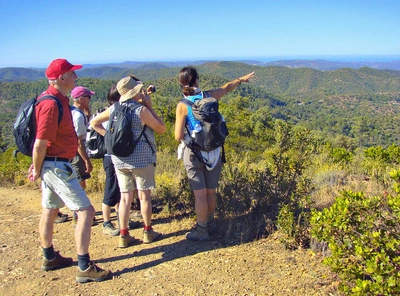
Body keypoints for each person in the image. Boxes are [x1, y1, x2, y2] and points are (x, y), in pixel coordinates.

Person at [28, 58, 111, 283]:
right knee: (86, 212)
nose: (76, 77)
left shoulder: (59, 100)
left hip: (53, 164)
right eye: (72, 73)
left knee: (51, 209)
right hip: (57, 166)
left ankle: (50, 257)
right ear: (62, 77)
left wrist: (40, 166)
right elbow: (39, 142)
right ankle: (84, 266)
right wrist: (37, 169)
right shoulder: (51, 104)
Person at [174, 66, 255, 241]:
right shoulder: (209, 96)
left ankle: (202, 231)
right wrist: (240, 80)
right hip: (214, 151)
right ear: (196, 80)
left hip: (194, 153)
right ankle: (211, 224)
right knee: (211, 192)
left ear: (182, 83)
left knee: (200, 195)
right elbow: (226, 87)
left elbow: (177, 136)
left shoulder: (182, 105)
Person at [91, 76, 166, 248]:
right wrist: (150, 106)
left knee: (125, 198)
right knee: (144, 196)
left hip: (119, 159)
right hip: (141, 159)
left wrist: (109, 137)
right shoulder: (141, 111)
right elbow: (161, 129)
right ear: (135, 92)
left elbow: (94, 122)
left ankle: (123, 234)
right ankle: (148, 231)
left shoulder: (114, 108)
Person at [99, 85, 141, 236]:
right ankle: (106, 222)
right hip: (111, 157)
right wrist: (110, 140)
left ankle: (122, 221)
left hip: (115, 156)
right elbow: (95, 124)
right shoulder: (112, 112)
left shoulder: (115, 111)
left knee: (120, 192)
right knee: (111, 191)